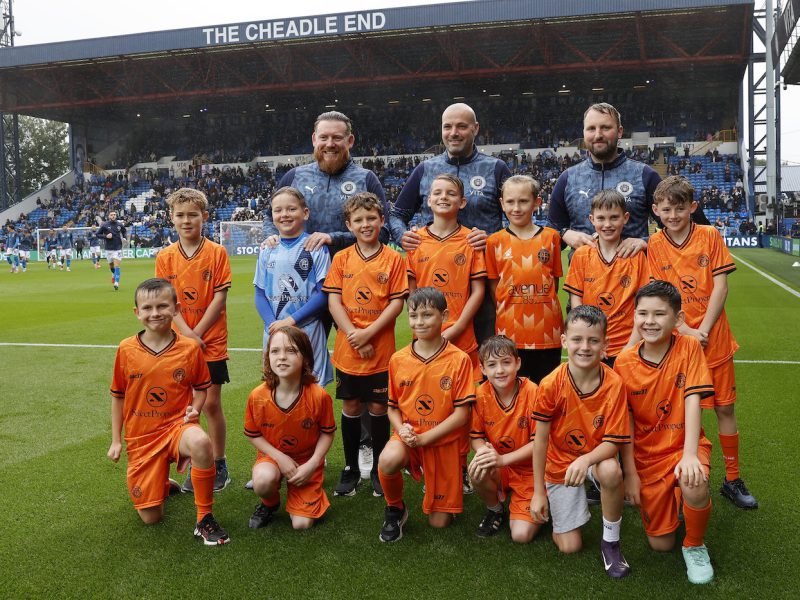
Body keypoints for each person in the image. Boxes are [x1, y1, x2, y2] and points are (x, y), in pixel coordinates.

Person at [647, 175, 757, 509]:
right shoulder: (654, 245)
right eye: (666, 209)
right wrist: (685, 332)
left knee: (724, 408)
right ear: (656, 210)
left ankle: (732, 479)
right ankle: (678, 477)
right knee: (679, 412)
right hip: (677, 344)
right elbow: (660, 298)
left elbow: (720, 288)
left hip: (714, 342)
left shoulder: (709, 235)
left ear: (693, 207)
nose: (674, 215)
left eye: (680, 209)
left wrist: (703, 331)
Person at [107, 278, 229, 545]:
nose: (155, 313)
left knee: (200, 441)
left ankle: (204, 518)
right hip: (142, 438)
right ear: (136, 312)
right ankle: (162, 482)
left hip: (176, 427)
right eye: (147, 308)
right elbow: (118, 397)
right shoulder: (126, 349)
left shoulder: (189, 348)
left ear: (176, 309)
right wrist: (116, 440)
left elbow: (200, 388)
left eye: (162, 306)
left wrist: (194, 411)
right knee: (151, 517)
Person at [615, 281, 715, 584]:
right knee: (660, 545)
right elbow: (626, 423)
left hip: (683, 445)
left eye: (659, 314)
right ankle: (676, 502)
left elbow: (693, 400)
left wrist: (688, 455)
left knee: (693, 479)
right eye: (642, 313)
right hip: (646, 457)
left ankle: (695, 544)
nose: (649, 321)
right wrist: (630, 473)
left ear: (678, 319)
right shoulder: (623, 362)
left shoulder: (688, 347)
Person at [391, 102, 512, 344]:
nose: (453, 132)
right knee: (431, 354)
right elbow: (396, 214)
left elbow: (518, 219)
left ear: (476, 129)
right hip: (435, 282)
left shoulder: (495, 168)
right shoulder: (426, 169)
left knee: (488, 354)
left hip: (484, 282)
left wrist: (492, 240)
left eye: (461, 126)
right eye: (448, 126)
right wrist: (401, 235)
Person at [530, 305, 631, 579]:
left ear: (605, 345)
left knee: (611, 470)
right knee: (569, 547)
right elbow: (540, 443)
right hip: (560, 463)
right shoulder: (551, 384)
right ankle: (559, 507)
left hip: (594, 459)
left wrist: (586, 459)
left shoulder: (614, 384)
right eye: (576, 339)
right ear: (564, 341)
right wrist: (539, 491)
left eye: (593, 340)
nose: (584, 347)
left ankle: (610, 542)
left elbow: (614, 441)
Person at [322, 192, 408, 498]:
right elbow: (333, 300)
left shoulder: (394, 258)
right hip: (348, 351)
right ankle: (350, 468)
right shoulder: (341, 259)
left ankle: (378, 469)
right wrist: (353, 335)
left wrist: (368, 333)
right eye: (358, 220)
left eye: (372, 218)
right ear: (349, 224)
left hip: (381, 352)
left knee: (378, 406)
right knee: (352, 406)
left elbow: (397, 303)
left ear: (382, 221)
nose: (366, 224)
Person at [404, 173, 486, 494]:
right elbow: (411, 290)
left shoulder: (471, 239)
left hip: (462, 340)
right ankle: (431, 465)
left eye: (450, 193)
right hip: (425, 340)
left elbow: (478, 290)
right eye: (436, 192)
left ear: (461, 202)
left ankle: (461, 466)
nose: (443, 197)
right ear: (427, 199)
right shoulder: (415, 241)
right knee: (432, 403)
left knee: (462, 407)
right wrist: (426, 329)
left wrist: (457, 327)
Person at [377, 287, 475, 542]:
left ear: (444, 316)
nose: (419, 322)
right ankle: (395, 508)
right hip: (409, 437)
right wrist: (402, 429)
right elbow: (392, 407)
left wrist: (425, 438)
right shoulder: (398, 360)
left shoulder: (460, 359)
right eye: (414, 315)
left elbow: (462, 415)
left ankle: (441, 484)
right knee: (387, 459)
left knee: (439, 523)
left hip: (442, 441)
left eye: (427, 315)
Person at [547, 103, 707, 258]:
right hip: (582, 281)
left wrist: (646, 242)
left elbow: (686, 227)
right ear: (584, 133)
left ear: (619, 131)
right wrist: (564, 233)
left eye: (605, 127)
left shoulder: (645, 175)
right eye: (591, 128)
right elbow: (550, 233)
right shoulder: (568, 179)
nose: (598, 135)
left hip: (636, 280)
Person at [155, 188, 233, 493]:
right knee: (184, 406)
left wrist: (197, 333)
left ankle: (219, 462)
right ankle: (194, 461)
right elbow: (164, 300)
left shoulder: (217, 252)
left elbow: (220, 297)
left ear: (205, 216)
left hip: (211, 342)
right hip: (179, 343)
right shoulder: (165, 256)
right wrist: (187, 335)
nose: (186, 220)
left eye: (192, 214)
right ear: (171, 219)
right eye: (180, 215)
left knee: (211, 404)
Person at [262, 111, 390, 258]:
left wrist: (333, 238)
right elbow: (270, 217)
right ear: (314, 139)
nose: (330, 144)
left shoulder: (366, 179)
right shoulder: (294, 177)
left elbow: (383, 232)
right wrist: (270, 236)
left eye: (337, 137)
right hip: (303, 275)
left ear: (350, 141)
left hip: (352, 274)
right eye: (323, 137)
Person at [244, 326, 336, 530]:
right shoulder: (258, 396)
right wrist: (279, 457)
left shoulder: (319, 396)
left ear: (305, 357)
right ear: (268, 357)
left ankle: (311, 489)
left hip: (306, 460)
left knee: (302, 525)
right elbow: (253, 434)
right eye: (275, 351)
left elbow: (327, 433)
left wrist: (312, 463)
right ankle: (270, 503)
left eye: (291, 350)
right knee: (262, 481)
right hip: (273, 457)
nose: (282, 357)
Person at [485, 175, 564, 383]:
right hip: (510, 333)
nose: (516, 208)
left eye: (523, 201)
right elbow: (495, 288)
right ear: (502, 204)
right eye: (510, 202)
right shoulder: (494, 242)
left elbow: (552, 284)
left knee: (547, 391)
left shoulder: (552, 237)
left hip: (548, 333)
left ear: (537, 203)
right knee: (514, 393)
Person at [254, 187, 333, 387]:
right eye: (278, 210)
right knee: (277, 388)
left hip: (308, 329)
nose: (284, 215)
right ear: (272, 215)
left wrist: (290, 320)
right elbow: (260, 293)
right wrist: (274, 324)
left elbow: (324, 294)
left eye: (291, 209)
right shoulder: (267, 249)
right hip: (274, 331)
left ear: (305, 213)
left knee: (312, 389)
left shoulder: (315, 246)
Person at [563, 190, 650, 367]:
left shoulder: (636, 256)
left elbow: (644, 306)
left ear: (625, 218)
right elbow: (576, 305)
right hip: (591, 348)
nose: (607, 224)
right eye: (601, 218)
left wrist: (630, 346)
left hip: (627, 346)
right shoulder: (581, 255)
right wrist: (588, 342)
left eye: (614, 218)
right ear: (591, 219)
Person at [468, 335, 540, 543]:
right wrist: (484, 452)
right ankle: (495, 509)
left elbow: (539, 445)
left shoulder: (533, 392)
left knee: (520, 535)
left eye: (506, 362)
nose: (499, 370)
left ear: (517, 363)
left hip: (530, 469)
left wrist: (502, 460)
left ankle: (539, 500)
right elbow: (476, 437)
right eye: (492, 365)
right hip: (501, 466)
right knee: (477, 468)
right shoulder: (480, 395)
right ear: (482, 369)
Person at [97, 210, 126, 290]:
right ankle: (113, 274)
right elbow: (97, 234)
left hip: (118, 248)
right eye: (111, 215)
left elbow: (124, 231)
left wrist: (124, 237)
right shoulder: (105, 225)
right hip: (108, 249)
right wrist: (106, 236)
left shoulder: (119, 225)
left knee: (117, 265)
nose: (113, 216)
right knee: (111, 266)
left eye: (114, 215)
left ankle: (116, 283)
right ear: (109, 216)